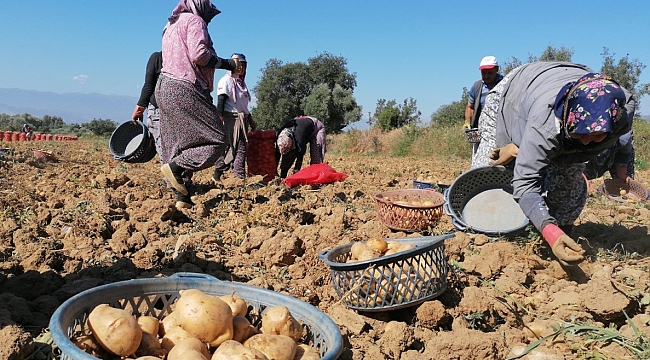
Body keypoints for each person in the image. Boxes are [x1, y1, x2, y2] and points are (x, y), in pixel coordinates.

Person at [471, 62, 635, 266]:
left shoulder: (621, 110)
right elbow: (525, 184)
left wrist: (555, 232)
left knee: (568, 174)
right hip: (515, 91)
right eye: (580, 133)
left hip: (553, 89)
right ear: (566, 119)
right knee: (491, 165)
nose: (586, 142)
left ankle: (561, 230)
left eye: (596, 135)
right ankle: (478, 234)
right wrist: (519, 145)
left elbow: (609, 145)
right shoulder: (546, 124)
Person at [156, 0, 239, 209]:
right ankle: (175, 168)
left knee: (179, 143)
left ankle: (182, 199)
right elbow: (199, 55)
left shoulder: (170, 25)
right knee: (217, 140)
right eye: (209, 15)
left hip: (165, 86)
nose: (209, 19)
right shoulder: (195, 21)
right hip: (186, 86)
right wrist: (227, 64)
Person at [213, 53, 257, 181]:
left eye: (243, 66)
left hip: (242, 118)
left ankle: (238, 176)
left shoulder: (241, 84)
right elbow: (221, 101)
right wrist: (219, 120)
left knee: (241, 148)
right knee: (229, 148)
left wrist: (251, 120)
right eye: (238, 65)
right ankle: (219, 174)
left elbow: (242, 105)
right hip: (229, 118)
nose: (241, 68)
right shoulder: (226, 81)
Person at [464, 56, 503, 158]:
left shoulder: (505, 84)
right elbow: (470, 107)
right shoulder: (477, 87)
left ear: (497, 69)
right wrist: (468, 122)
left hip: (501, 130)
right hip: (481, 130)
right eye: (483, 73)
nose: (486, 76)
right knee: (480, 158)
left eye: (489, 73)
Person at [132, 51, 164, 157]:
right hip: (184, 110)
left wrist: (139, 109)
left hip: (159, 108)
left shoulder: (158, 57)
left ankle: (172, 172)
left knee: (163, 148)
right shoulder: (190, 58)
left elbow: (149, 85)